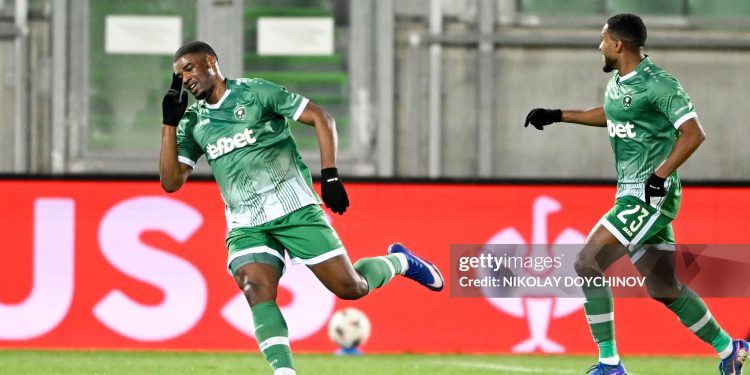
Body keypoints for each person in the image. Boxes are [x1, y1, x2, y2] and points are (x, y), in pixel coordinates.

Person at [159, 41, 444, 375]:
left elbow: (321, 118)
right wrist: (169, 124)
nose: (185, 79)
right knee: (254, 287)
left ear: (211, 62)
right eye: (179, 75)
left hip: (294, 208)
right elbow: (171, 182)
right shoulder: (193, 121)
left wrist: (331, 176)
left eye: (189, 69)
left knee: (351, 288)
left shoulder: (256, 93)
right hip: (246, 222)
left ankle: (399, 261)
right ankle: (284, 372)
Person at [523, 13, 747, 375]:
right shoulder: (618, 81)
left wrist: (659, 176)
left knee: (586, 262)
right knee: (663, 287)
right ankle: (730, 348)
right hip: (630, 192)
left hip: (649, 194)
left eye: (602, 39)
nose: (599, 46)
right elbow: (613, 116)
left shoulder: (660, 84)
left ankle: (610, 364)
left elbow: (694, 133)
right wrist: (558, 114)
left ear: (617, 44)